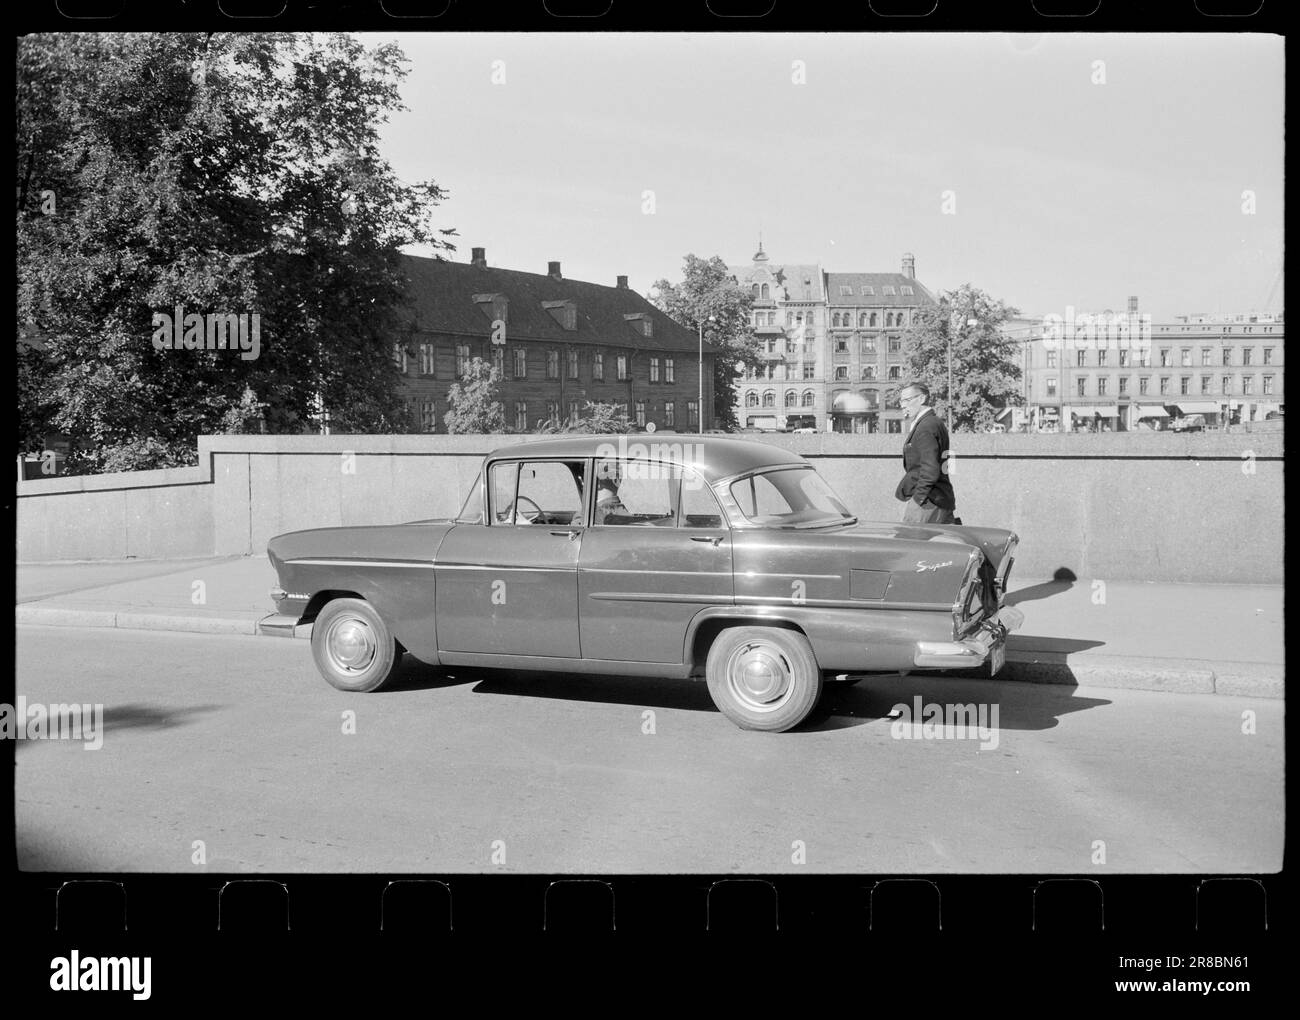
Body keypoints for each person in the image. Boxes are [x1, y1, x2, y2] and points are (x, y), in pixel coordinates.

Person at [895, 382, 957, 524]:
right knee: (946, 544)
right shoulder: (934, 422)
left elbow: (930, 470)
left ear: (922, 399)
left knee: (909, 543)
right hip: (941, 499)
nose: (903, 405)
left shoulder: (926, 426)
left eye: (907, 400)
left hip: (929, 502)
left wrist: (918, 501)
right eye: (901, 401)